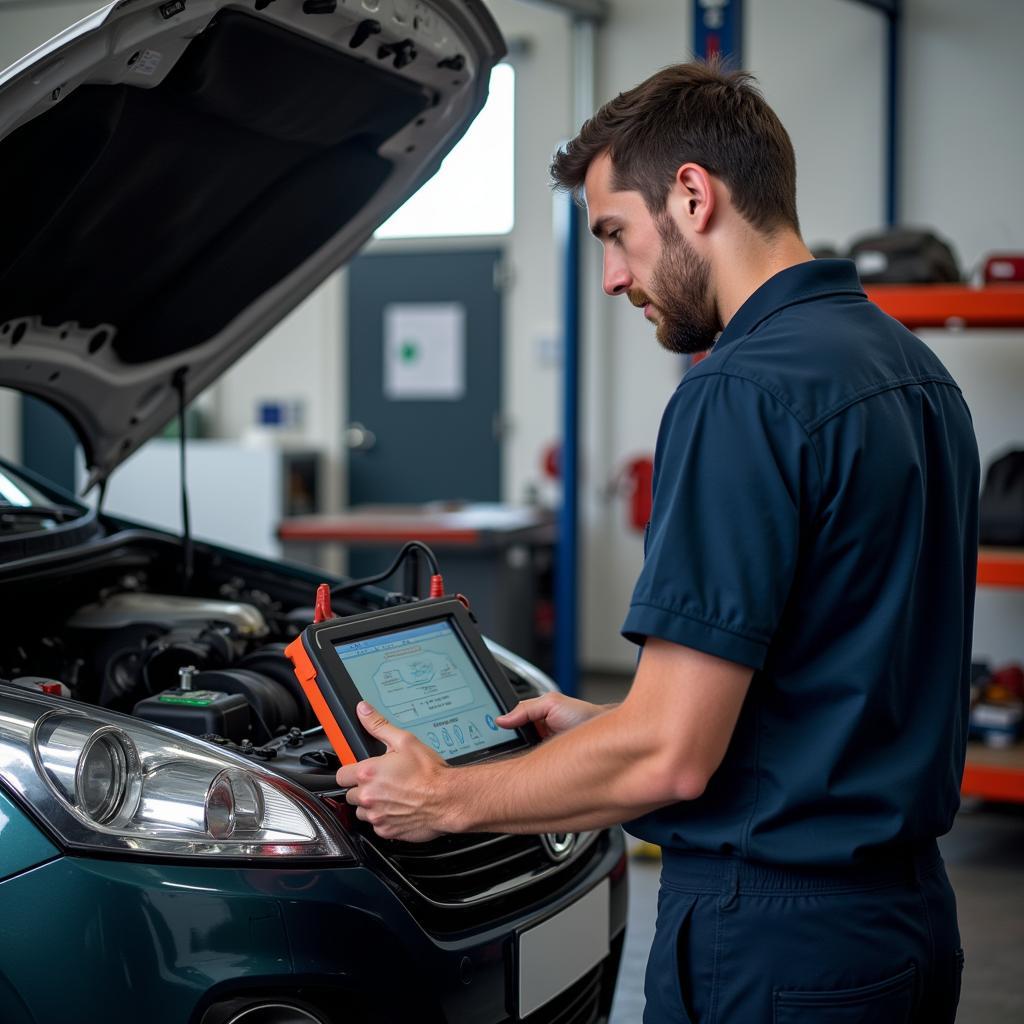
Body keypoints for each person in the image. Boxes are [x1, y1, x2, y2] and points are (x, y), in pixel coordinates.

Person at [337, 60, 978, 1022]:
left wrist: (448, 800)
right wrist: (599, 725)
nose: (613, 278)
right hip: (902, 923)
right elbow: (829, 685)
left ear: (691, 194)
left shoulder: (737, 395)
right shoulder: (916, 374)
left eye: (614, 235)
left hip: (771, 942)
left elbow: (672, 761)